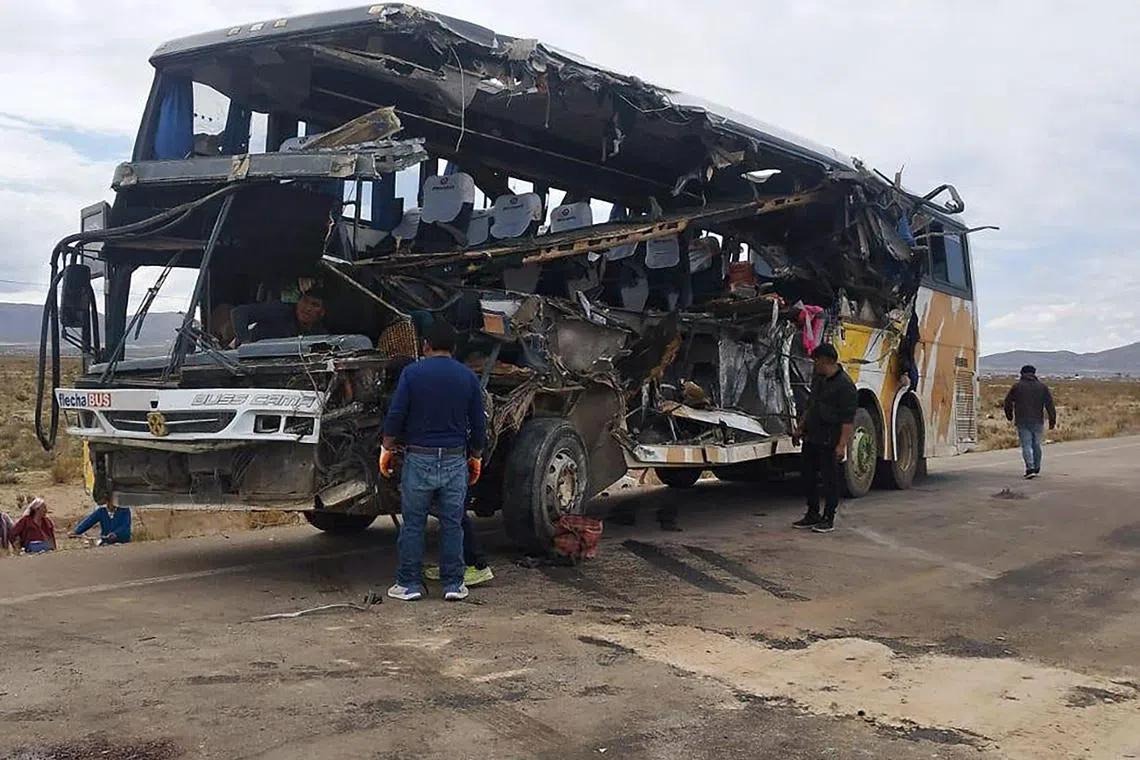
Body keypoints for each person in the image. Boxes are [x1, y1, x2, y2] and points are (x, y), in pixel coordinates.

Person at [379, 319, 486, 602]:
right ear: (454, 348)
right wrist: (475, 456)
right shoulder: (468, 377)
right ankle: (454, 584)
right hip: (454, 460)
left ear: (425, 345)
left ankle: (408, 584)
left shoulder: (412, 374)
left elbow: (396, 414)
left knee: (413, 524)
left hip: (419, 459)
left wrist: (387, 447)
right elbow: (478, 423)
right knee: (452, 523)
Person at [792, 343, 858, 534]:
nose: (814, 365)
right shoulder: (818, 379)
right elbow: (811, 405)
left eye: (817, 361)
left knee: (830, 480)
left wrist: (842, 445)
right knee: (808, 477)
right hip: (812, 436)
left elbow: (848, 420)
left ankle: (828, 517)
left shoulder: (845, 386)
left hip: (830, 438)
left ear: (827, 361)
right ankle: (812, 513)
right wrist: (800, 428)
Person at [1003, 365, 1057, 479]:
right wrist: (1052, 420)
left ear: (1022, 373)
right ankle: (1036, 468)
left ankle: (1030, 468)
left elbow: (1007, 402)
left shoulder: (1017, 387)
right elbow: (1049, 404)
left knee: (1026, 445)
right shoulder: (1042, 387)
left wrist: (1009, 415)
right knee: (1036, 445)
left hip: (1022, 420)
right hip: (1038, 420)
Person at [230, 287, 327, 345]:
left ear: (322, 312)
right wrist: (246, 344)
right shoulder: (279, 310)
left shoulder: (321, 335)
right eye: (305, 301)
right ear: (297, 302)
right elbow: (239, 313)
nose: (307, 308)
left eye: (314, 305)